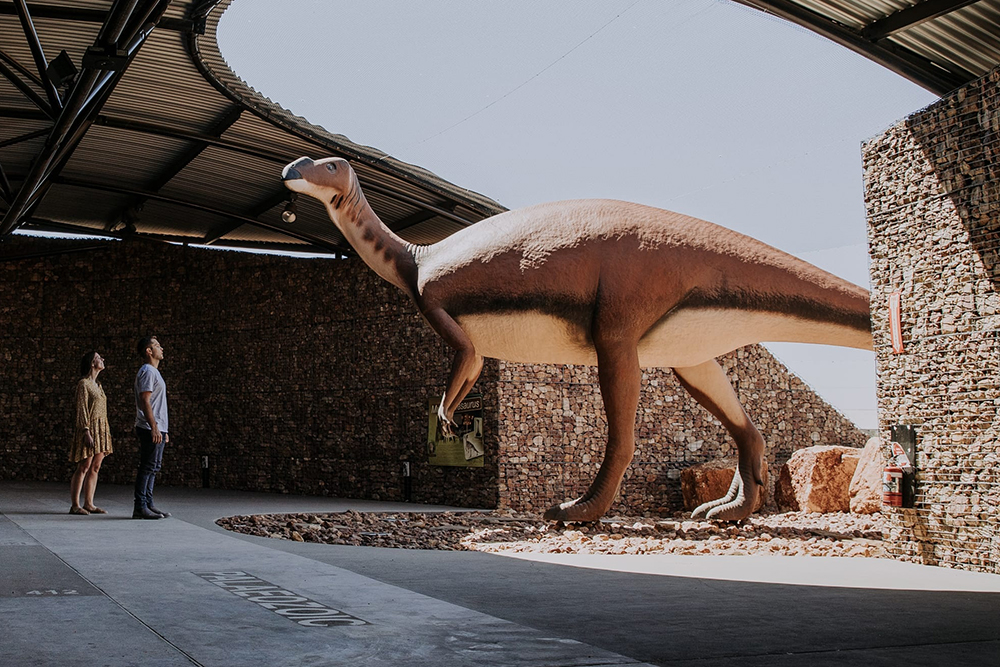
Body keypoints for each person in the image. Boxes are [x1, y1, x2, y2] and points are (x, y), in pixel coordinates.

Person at [68, 351, 113, 515]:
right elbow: (82, 409)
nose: (102, 359)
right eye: (99, 357)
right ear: (91, 363)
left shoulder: (99, 386)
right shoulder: (84, 384)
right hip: (89, 428)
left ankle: (89, 503)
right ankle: (75, 505)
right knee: (84, 466)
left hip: (101, 429)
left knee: (95, 467)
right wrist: (86, 431)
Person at [133, 336, 171, 520]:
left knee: (154, 467)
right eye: (157, 345)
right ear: (149, 351)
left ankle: (148, 503)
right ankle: (140, 506)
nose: (161, 348)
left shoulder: (154, 372)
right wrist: (154, 427)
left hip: (158, 428)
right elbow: (145, 400)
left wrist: (164, 430)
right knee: (147, 467)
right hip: (150, 427)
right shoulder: (147, 371)